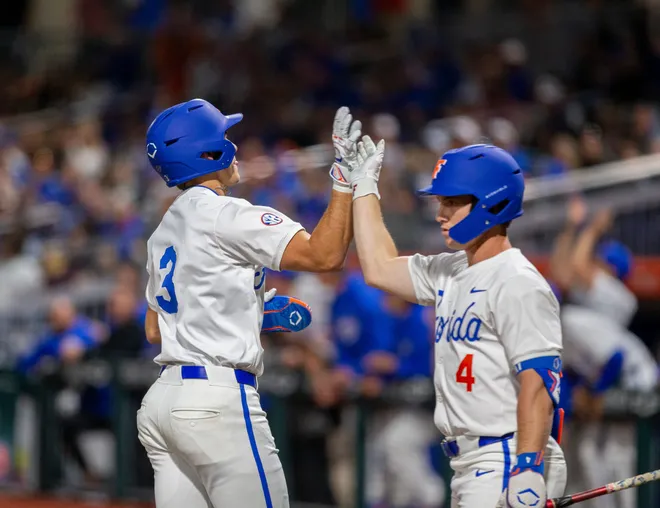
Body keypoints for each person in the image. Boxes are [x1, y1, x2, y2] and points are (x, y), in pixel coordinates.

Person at [137, 99, 362, 508]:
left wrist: (247, 312)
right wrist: (345, 180)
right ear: (207, 153)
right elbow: (324, 256)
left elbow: (156, 329)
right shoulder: (227, 214)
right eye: (224, 137)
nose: (233, 146)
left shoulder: (163, 229)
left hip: (163, 403)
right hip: (216, 403)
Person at [345, 139, 567, 507]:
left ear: (491, 202)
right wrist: (364, 186)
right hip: (472, 462)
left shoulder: (517, 281)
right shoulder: (452, 268)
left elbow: (539, 382)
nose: (440, 214)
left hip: (509, 455)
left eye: (452, 202)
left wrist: (528, 466)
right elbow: (379, 268)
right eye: (440, 203)